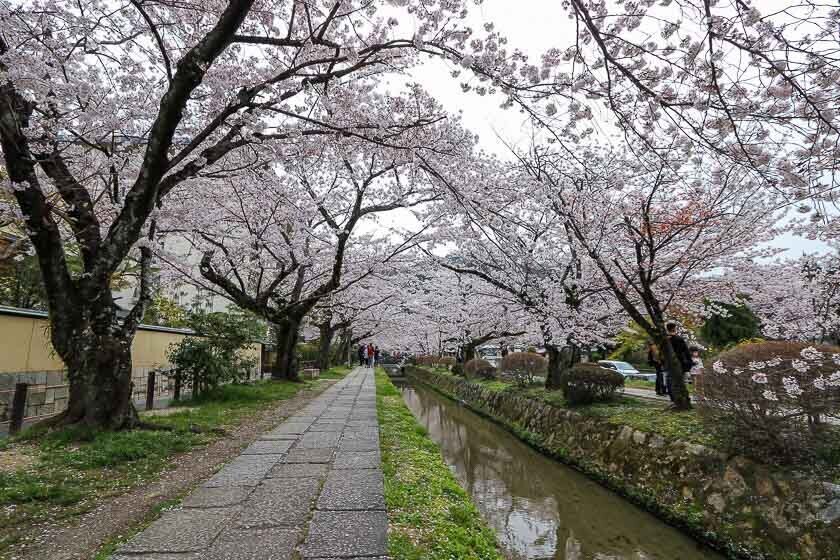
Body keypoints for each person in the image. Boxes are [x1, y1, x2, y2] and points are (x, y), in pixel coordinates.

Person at [666, 322, 694, 400]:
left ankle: (672, 395)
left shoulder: (665, 339)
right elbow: (685, 351)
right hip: (679, 361)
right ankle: (680, 396)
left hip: (668, 361)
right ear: (674, 328)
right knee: (679, 379)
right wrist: (689, 362)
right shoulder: (679, 339)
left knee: (670, 378)